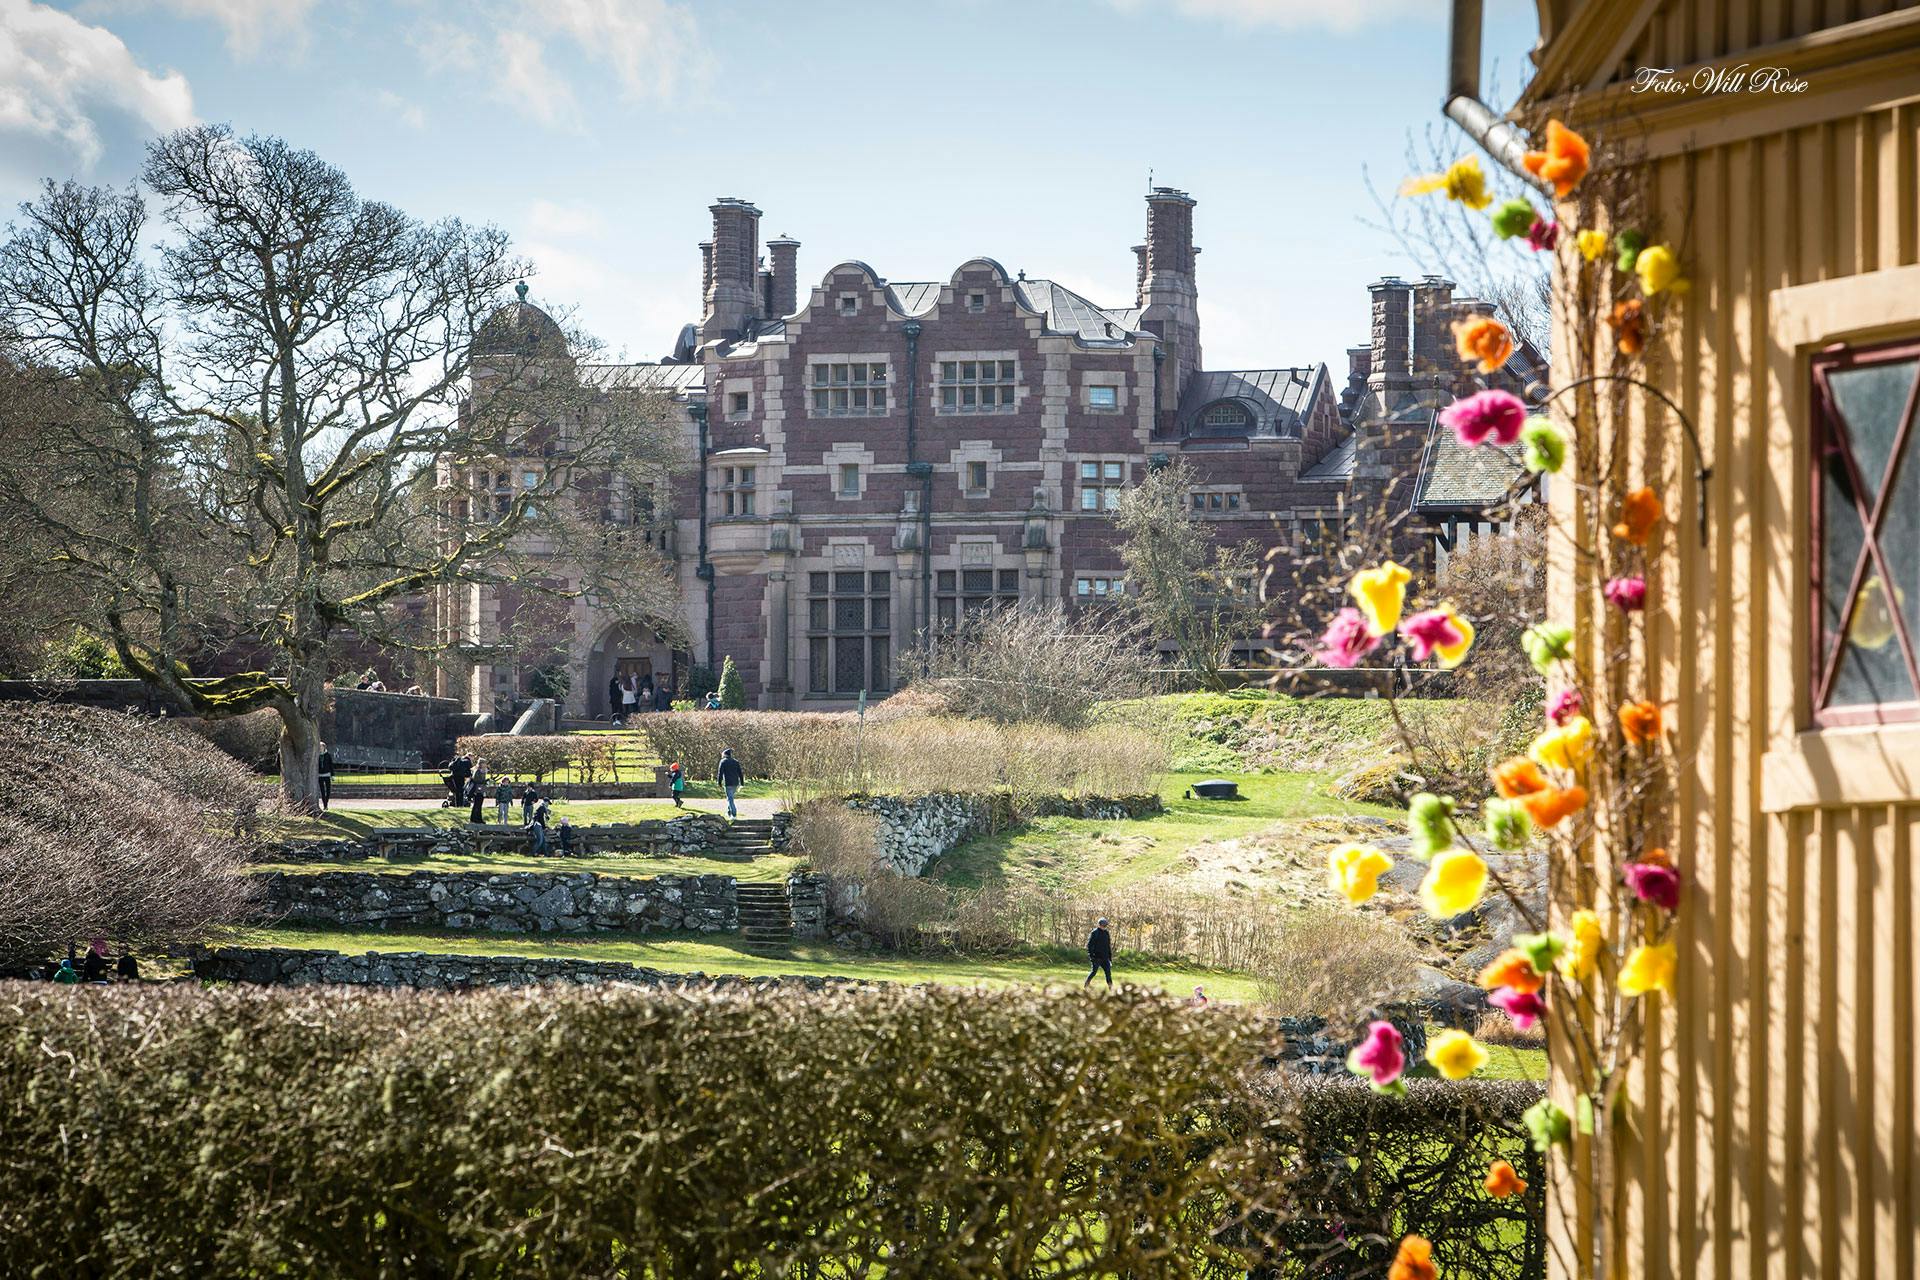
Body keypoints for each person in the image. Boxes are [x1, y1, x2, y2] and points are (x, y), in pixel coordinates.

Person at [1084, 918, 1113, 989]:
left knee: (1108, 974)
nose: (1104, 927)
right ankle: (1086, 985)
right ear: (1099, 925)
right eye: (1103, 925)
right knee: (1093, 972)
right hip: (1096, 958)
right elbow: (1089, 946)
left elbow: (1108, 946)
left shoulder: (1106, 933)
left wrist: (1110, 958)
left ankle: (1111, 989)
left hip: (1105, 958)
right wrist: (1091, 956)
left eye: (1105, 925)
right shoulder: (1094, 933)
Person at [716, 748, 744, 819]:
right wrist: (742, 783)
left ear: (725, 754)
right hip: (735, 783)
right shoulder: (735, 762)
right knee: (730, 798)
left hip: (728, 783)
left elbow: (720, 773)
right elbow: (740, 773)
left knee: (730, 799)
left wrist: (719, 783)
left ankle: (734, 814)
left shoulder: (723, 762)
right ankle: (729, 812)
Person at [316, 742, 334, 810]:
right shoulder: (317, 755)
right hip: (320, 775)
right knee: (322, 791)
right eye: (319, 747)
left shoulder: (328, 755)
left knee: (328, 790)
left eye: (321, 747)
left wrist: (332, 775)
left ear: (324, 747)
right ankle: (325, 805)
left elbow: (331, 765)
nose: (320, 748)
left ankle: (326, 802)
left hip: (327, 775)